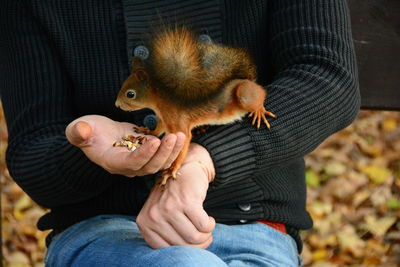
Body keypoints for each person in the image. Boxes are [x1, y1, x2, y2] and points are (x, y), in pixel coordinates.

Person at [0, 0, 360, 266]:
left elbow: (327, 77)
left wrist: (204, 160)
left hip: (253, 228)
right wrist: (92, 149)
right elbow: (33, 151)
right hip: (104, 233)